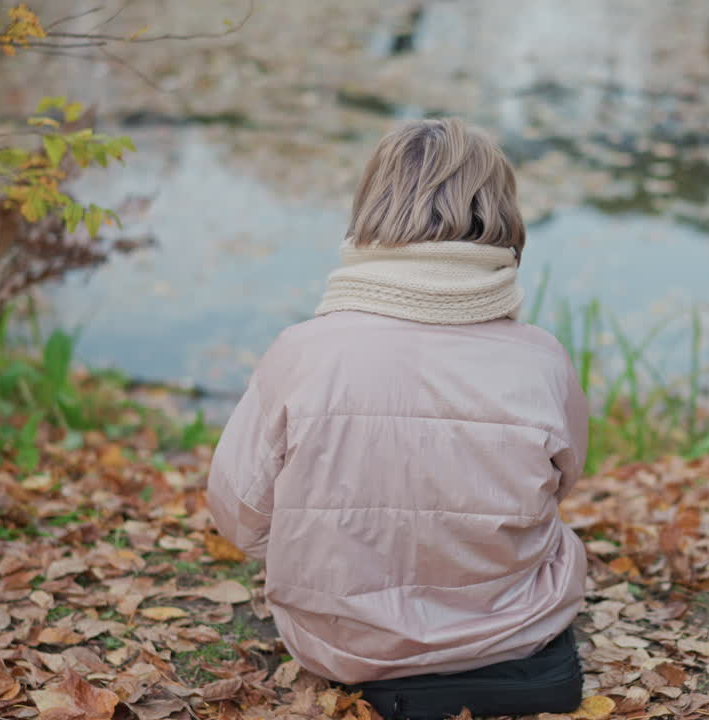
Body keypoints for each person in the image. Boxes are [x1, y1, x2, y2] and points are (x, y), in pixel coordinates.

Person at [206, 118, 589, 720]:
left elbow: (241, 519)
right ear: (501, 215)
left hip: (345, 644)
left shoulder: (304, 352)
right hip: (513, 630)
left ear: (373, 206)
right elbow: (562, 482)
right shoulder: (541, 358)